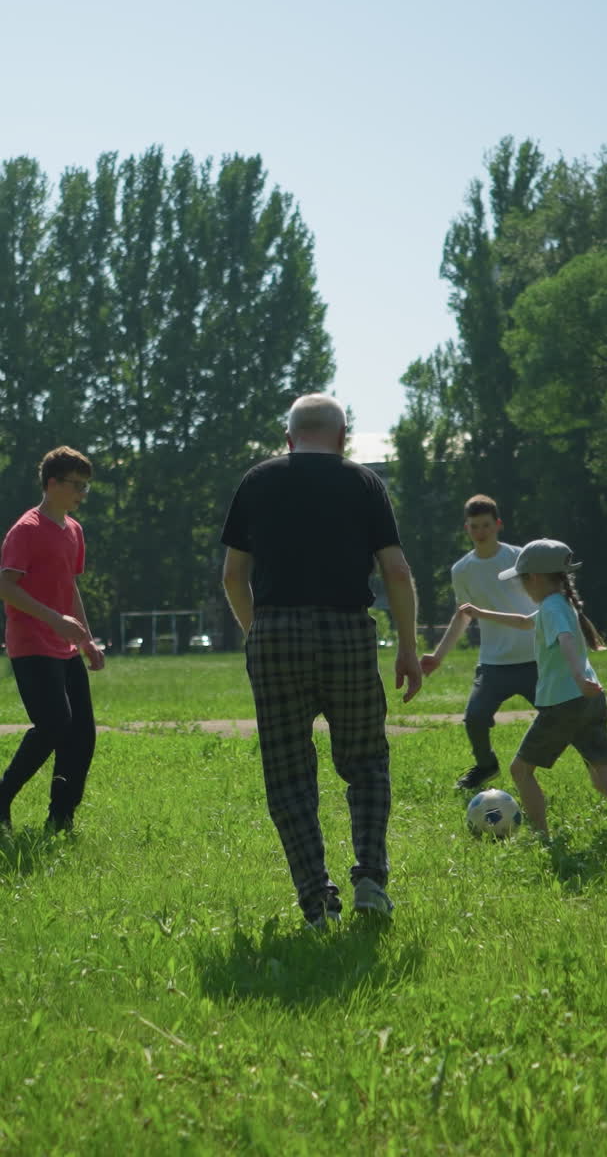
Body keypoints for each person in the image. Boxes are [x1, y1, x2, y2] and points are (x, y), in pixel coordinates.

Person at [221, 393, 422, 929]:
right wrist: (407, 645)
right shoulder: (364, 483)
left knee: (288, 777)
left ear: (289, 439)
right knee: (365, 764)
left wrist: (257, 632)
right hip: (348, 634)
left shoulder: (256, 481)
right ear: (343, 436)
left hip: (276, 633)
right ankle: (371, 881)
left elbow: (232, 578)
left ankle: (316, 901)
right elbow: (397, 572)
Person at [459, 538, 607, 849]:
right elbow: (522, 622)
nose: (523, 586)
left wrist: (578, 675)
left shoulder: (553, 608)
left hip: (564, 702)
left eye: (523, 579)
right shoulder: (559, 604)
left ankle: (543, 839)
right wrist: (479, 612)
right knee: (602, 778)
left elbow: (567, 640)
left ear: (537, 578)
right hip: (591, 700)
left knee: (520, 770)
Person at [0, 447, 105, 834]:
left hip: (63, 645)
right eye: (76, 485)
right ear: (52, 483)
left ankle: (60, 820)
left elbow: (69, 586)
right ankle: (2, 798)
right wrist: (54, 620)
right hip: (30, 644)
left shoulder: (74, 530)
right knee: (54, 723)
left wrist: (87, 641)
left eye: (85, 487)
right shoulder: (26, 530)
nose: (81, 493)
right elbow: (6, 587)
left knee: (82, 735)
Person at [420, 494, 537, 790]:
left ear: (498, 525)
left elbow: (544, 599)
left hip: (535, 658)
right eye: (475, 526)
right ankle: (486, 766)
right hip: (493, 663)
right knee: (475, 718)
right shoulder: (462, 570)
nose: (481, 531)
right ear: (466, 529)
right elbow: (463, 616)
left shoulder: (519, 557)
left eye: (486, 525)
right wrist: (438, 656)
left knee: (564, 717)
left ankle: (597, 768)